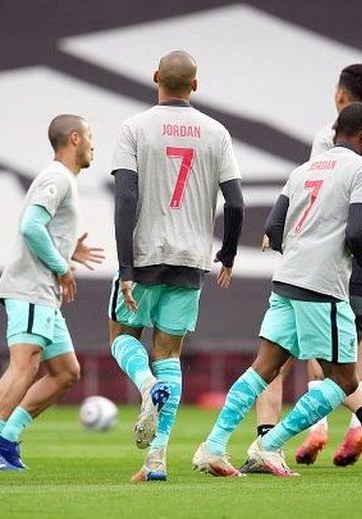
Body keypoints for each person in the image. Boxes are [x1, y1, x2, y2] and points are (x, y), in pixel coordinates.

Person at [193, 103, 362, 477]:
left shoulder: (304, 170)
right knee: (345, 379)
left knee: (263, 368)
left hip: (286, 279)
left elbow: (273, 226)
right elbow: (358, 232)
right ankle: (269, 445)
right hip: (323, 285)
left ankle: (214, 446)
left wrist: (302, 251)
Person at [254, 64, 362, 468]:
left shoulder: (328, 137)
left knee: (321, 344)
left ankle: (318, 427)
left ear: (340, 95)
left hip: (336, 255)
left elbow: (320, 193)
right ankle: (358, 425)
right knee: (359, 345)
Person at [108, 51, 244, 482]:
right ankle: (156, 459)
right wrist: (228, 255)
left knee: (120, 337)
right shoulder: (216, 132)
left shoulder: (133, 128)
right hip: (191, 260)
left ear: (155, 78)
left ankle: (147, 387)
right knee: (169, 354)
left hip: (145, 255)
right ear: (195, 85)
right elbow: (236, 201)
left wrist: (125, 265)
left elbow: (126, 198)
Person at [0, 114, 103, 471]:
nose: (93, 144)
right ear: (73, 139)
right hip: (30, 288)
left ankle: (8, 439)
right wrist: (61, 265)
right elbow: (30, 226)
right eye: (89, 136)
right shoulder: (56, 176)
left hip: (43, 295)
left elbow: (44, 230)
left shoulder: (64, 180)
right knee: (25, 364)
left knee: (65, 372)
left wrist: (68, 250)